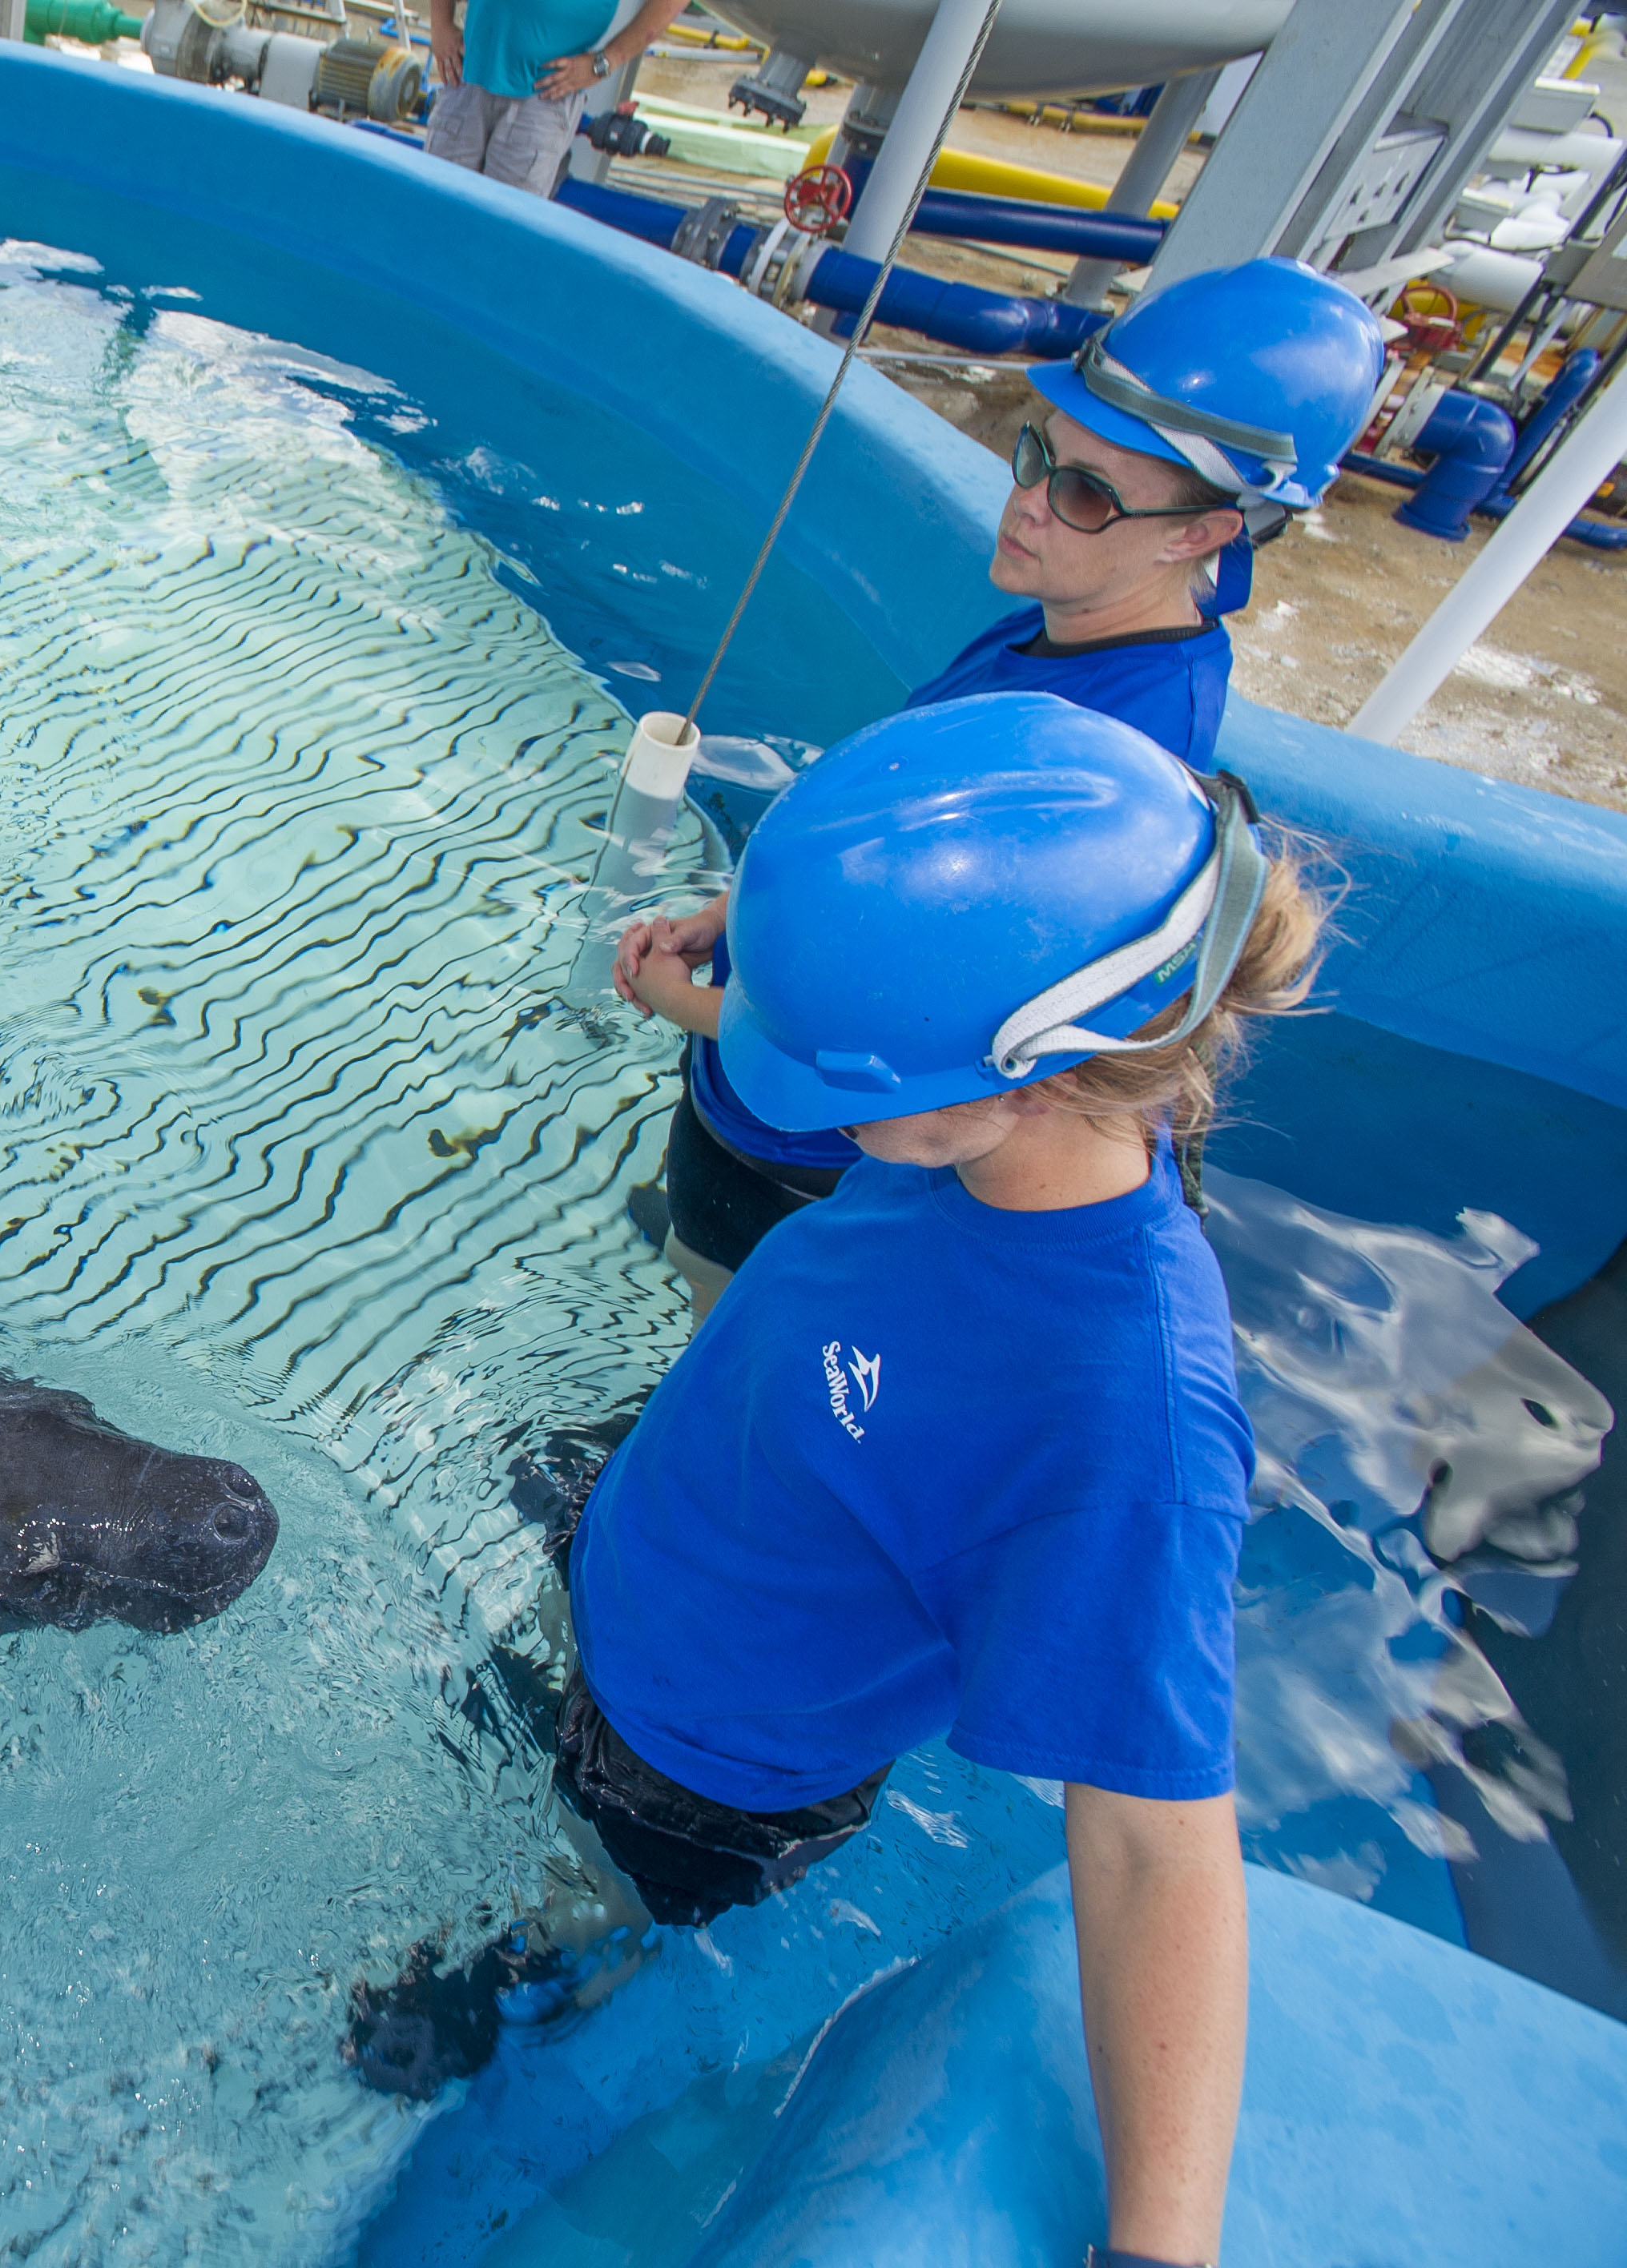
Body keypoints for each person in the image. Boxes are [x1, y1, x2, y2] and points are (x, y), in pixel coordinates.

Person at [352, 692, 1326, 2268]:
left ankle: (518, 1984)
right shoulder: (974, 1123)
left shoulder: (1120, 1420)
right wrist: (782, 947)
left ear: (1034, 1070)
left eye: (848, 1062)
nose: (819, 1097)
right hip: (677, 1528)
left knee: (488, 1964)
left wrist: (1159, 2247)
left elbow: (1154, 1844)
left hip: (702, 1768)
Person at [612, 257, 1384, 1311]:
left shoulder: (1115, 754)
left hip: (807, 1143)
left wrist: (688, 1006)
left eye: (1084, 494)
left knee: (723, 1333)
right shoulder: (1070, 620)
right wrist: (725, 917)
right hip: (766, 1084)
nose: (1027, 503)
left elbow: (949, 1048)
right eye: (1037, 455)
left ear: (1207, 533)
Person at [425, 0, 691, 195]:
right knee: (431, 213)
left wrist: (606, 61)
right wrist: (440, 24)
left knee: (503, 235)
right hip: (466, 74)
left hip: (542, 97)